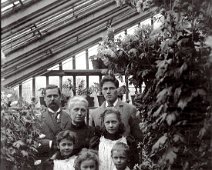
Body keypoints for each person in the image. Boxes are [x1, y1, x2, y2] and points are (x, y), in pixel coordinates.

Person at [89, 74, 142, 140]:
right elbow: (92, 139)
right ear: (102, 91)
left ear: (117, 90)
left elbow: (138, 137)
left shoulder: (130, 109)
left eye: (111, 88)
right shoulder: (95, 114)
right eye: (105, 89)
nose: (108, 92)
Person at [38, 84, 73, 160]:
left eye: (55, 96)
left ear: (60, 97)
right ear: (44, 98)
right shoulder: (38, 119)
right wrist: (51, 143)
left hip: (66, 160)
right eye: (49, 96)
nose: (52, 99)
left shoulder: (69, 117)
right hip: (46, 161)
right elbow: (35, 142)